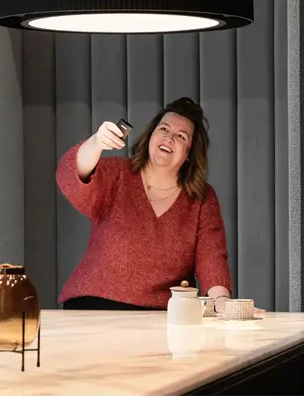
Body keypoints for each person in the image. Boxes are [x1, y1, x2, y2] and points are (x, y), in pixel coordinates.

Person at [55, 96, 234, 314]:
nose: (169, 138)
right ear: (151, 136)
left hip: (160, 315)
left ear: (189, 153)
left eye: (181, 136)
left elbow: (212, 261)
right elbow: (70, 178)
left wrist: (223, 305)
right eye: (164, 129)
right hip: (93, 306)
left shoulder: (202, 198)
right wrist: (96, 143)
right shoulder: (118, 174)